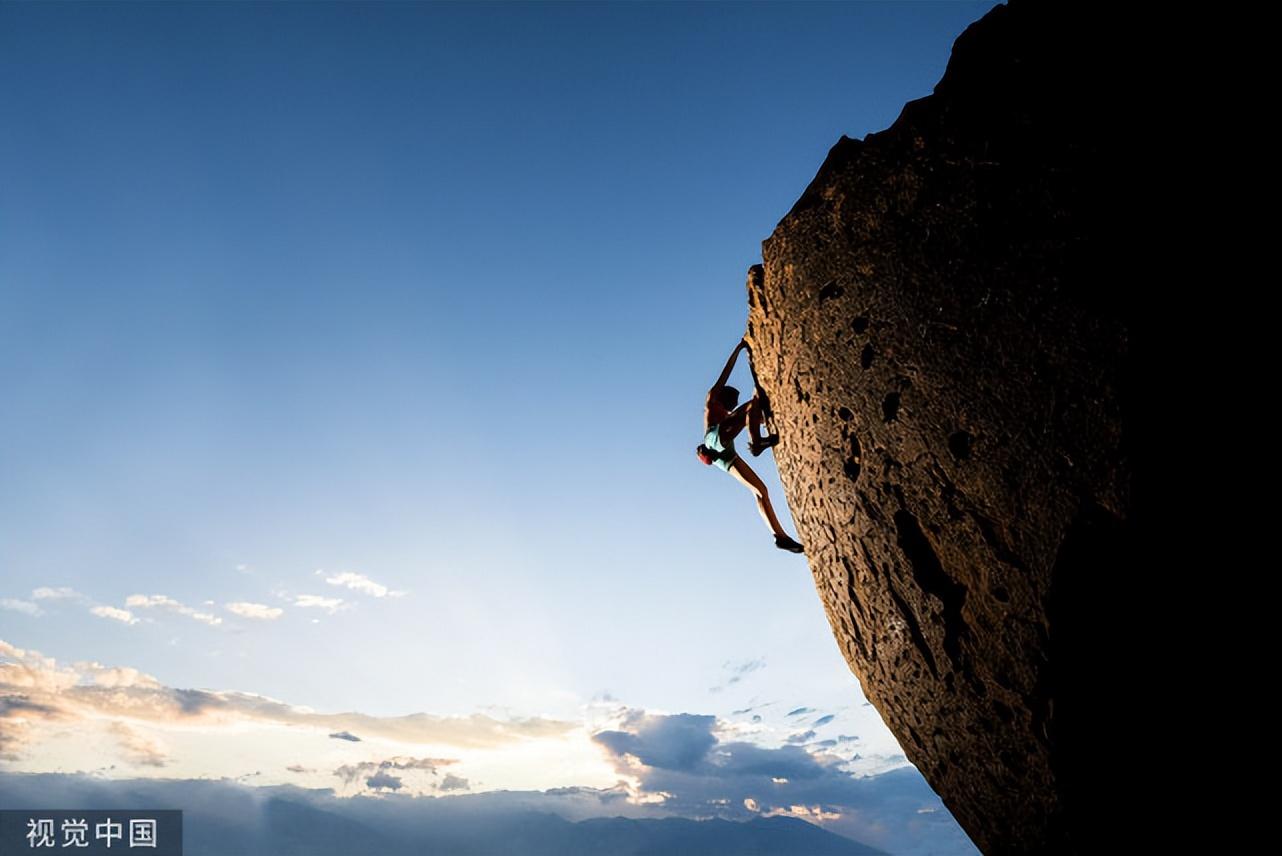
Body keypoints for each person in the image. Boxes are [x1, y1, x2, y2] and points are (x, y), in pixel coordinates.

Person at [698, 338, 805, 553]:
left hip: (724, 455)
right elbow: (725, 373)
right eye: (731, 403)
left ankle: (780, 536)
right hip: (714, 439)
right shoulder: (713, 399)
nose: (732, 408)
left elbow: (754, 417)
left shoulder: (729, 414)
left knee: (761, 491)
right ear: (725, 397)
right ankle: (757, 443)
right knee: (753, 402)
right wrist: (738, 349)